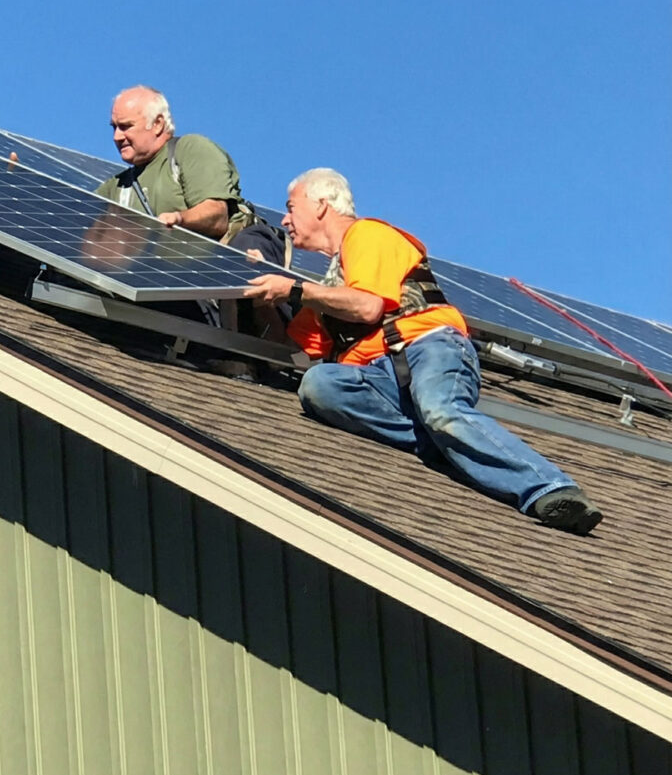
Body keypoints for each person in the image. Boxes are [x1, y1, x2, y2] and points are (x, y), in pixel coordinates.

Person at [243, 168, 603, 535]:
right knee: (319, 384)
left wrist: (294, 289)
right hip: (378, 380)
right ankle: (452, 448)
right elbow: (288, 348)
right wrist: (260, 295)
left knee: (441, 411)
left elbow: (367, 306)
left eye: (291, 207)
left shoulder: (367, 234)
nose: (284, 219)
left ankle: (551, 488)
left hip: (426, 346)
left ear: (322, 205)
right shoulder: (325, 288)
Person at [95, 85, 284, 265]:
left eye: (126, 126)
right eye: (114, 127)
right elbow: (76, 226)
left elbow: (217, 216)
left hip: (210, 276)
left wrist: (178, 219)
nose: (117, 137)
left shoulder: (189, 150)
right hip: (154, 282)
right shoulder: (117, 187)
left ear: (158, 124)